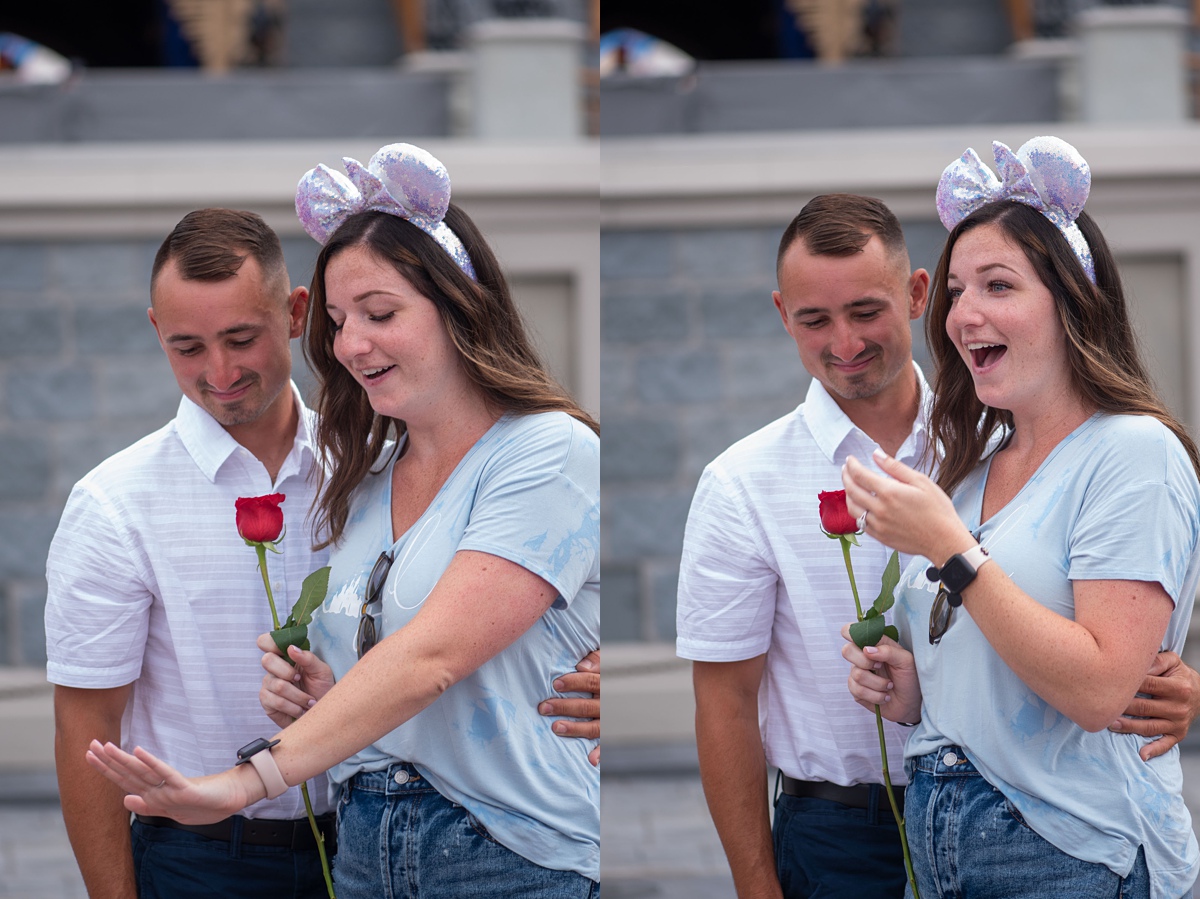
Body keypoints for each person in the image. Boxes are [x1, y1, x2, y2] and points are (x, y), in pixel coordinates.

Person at [85, 143, 601, 898]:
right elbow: (404, 687)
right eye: (337, 319)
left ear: (460, 301)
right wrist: (325, 692)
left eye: (380, 312)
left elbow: (433, 658)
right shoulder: (365, 480)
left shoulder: (547, 449)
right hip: (362, 858)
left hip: (510, 855)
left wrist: (244, 780)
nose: (350, 343)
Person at [677, 191, 1200, 899]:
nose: (846, 341)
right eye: (814, 319)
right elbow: (725, 702)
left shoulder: (999, 440)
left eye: (866, 311)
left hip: (1043, 834)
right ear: (782, 314)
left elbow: (1111, 646)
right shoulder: (741, 481)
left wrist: (1170, 683)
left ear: (913, 292)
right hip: (839, 828)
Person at [842, 136, 1200, 897]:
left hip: (1067, 847)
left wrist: (949, 548)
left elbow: (1100, 689)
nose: (963, 312)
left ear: (1073, 302)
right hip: (940, 841)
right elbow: (1003, 657)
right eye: (957, 290)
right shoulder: (968, 470)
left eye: (998, 285)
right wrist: (917, 690)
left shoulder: (1133, 451)